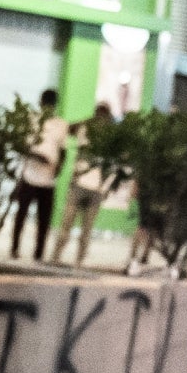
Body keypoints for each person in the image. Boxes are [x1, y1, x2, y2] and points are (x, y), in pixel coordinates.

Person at [53, 102, 116, 265]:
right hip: (80, 184)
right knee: (68, 224)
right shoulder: (85, 129)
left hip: (94, 188)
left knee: (84, 229)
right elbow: (69, 128)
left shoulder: (109, 138)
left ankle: (77, 260)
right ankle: (58, 256)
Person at [10, 89, 66, 261]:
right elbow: (23, 146)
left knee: (44, 219)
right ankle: (15, 248)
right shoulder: (31, 120)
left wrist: (58, 168)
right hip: (30, 175)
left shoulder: (60, 124)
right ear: (41, 103)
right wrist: (39, 158)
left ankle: (39, 253)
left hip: (48, 180)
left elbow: (63, 150)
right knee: (22, 214)